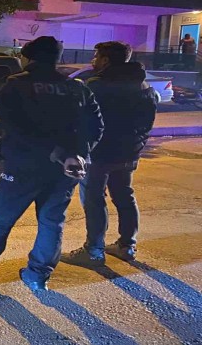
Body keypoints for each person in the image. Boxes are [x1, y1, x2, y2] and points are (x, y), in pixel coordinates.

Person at [0, 36, 103, 291]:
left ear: (28, 58)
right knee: (52, 221)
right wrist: (77, 154)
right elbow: (95, 126)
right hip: (65, 168)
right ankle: (38, 275)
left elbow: (16, 127)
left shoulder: (16, 85)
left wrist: (56, 152)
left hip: (24, 165)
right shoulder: (77, 88)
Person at [61, 41, 156, 267]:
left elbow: (83, 120)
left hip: (100, 154)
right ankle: (127, 246)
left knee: (94, 199)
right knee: (124, 195)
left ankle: (94, 250)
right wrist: (137, 145)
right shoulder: (142, 85)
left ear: (106, 60)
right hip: (128, 153)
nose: (93, 60)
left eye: (96, 56)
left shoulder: (96, 86)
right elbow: (148, 122)